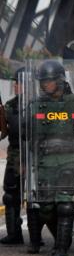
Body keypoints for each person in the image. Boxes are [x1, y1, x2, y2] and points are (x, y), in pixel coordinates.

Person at [25, 60, 74, 256]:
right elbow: (27, 131)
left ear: (59, 80)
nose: (44, 84)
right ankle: (61, 236)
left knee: (65, 204)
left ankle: (61, 247)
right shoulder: (36, 105)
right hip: (45, 160)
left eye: (49, 81)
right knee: (46, 206)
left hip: (69, 158)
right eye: (42, 81)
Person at [0, 68, 24, 245]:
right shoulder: (9, 106)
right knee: (10, 196)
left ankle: (39, 237)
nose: (16, 85)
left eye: (20, 82)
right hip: (15, 155)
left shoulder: (40, 104)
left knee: (42, 199)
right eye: (15, 82)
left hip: (37, 155)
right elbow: (3, 132)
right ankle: (14, 234)